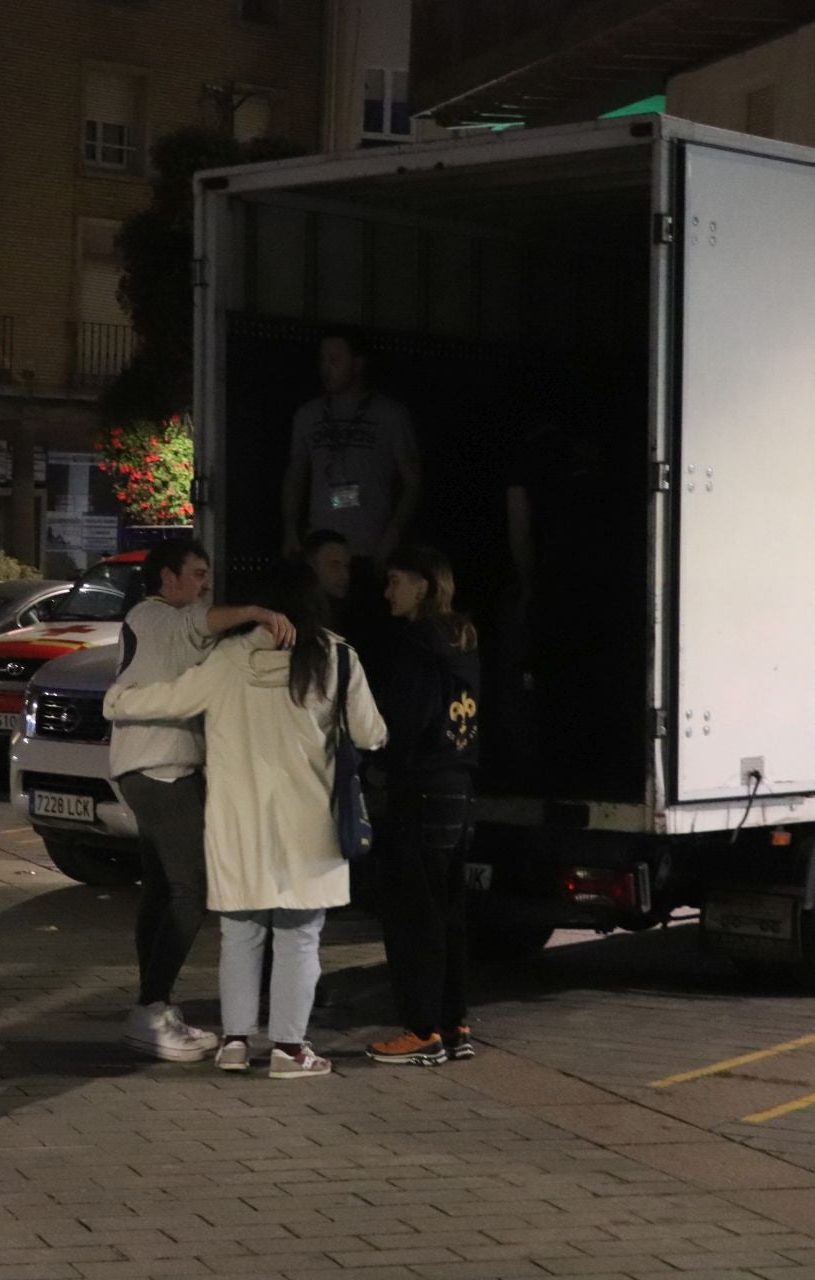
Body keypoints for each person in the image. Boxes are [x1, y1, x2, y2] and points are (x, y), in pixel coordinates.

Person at [105, 564, 387, 1080]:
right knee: (300, 936)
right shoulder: (337, 658)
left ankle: (235, 1043)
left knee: (241, 934)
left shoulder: (228, 658)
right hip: (309, 824)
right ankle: (289, 1049)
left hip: (237, 821)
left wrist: (119, 700)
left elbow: (170, 699)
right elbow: (370, 734)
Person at [111, 537, 296, 1062]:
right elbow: (200, 623)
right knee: (193, 890)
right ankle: (151, 1008)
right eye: (196, 574)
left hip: (158, 768)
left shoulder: (160, 626)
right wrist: (260, 611)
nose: (204, 584)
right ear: (166, 578)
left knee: (162, 892)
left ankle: (152, 1007)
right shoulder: (154, 617)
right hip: (159, 771)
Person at [365, 547, 482, 1068]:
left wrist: (378, 762)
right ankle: (454, 1022)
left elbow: (404, 720)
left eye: (396, 581)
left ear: (423, 585)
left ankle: (420, 1030)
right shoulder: (462, 640)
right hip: (458, 784)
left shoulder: (413, 644)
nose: (388, 592)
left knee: (414, 913)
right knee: (449, 910)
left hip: (419, 787)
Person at [281, 330, 419, 568]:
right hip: (320, 548)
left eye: (334, 360)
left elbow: (413, 482)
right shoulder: (308, 415)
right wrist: (290, 531)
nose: (325, 368)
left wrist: (392, 536)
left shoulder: (390, 415)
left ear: (358, 364)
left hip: (371, 548)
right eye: (322, 360)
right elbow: (296, 475)